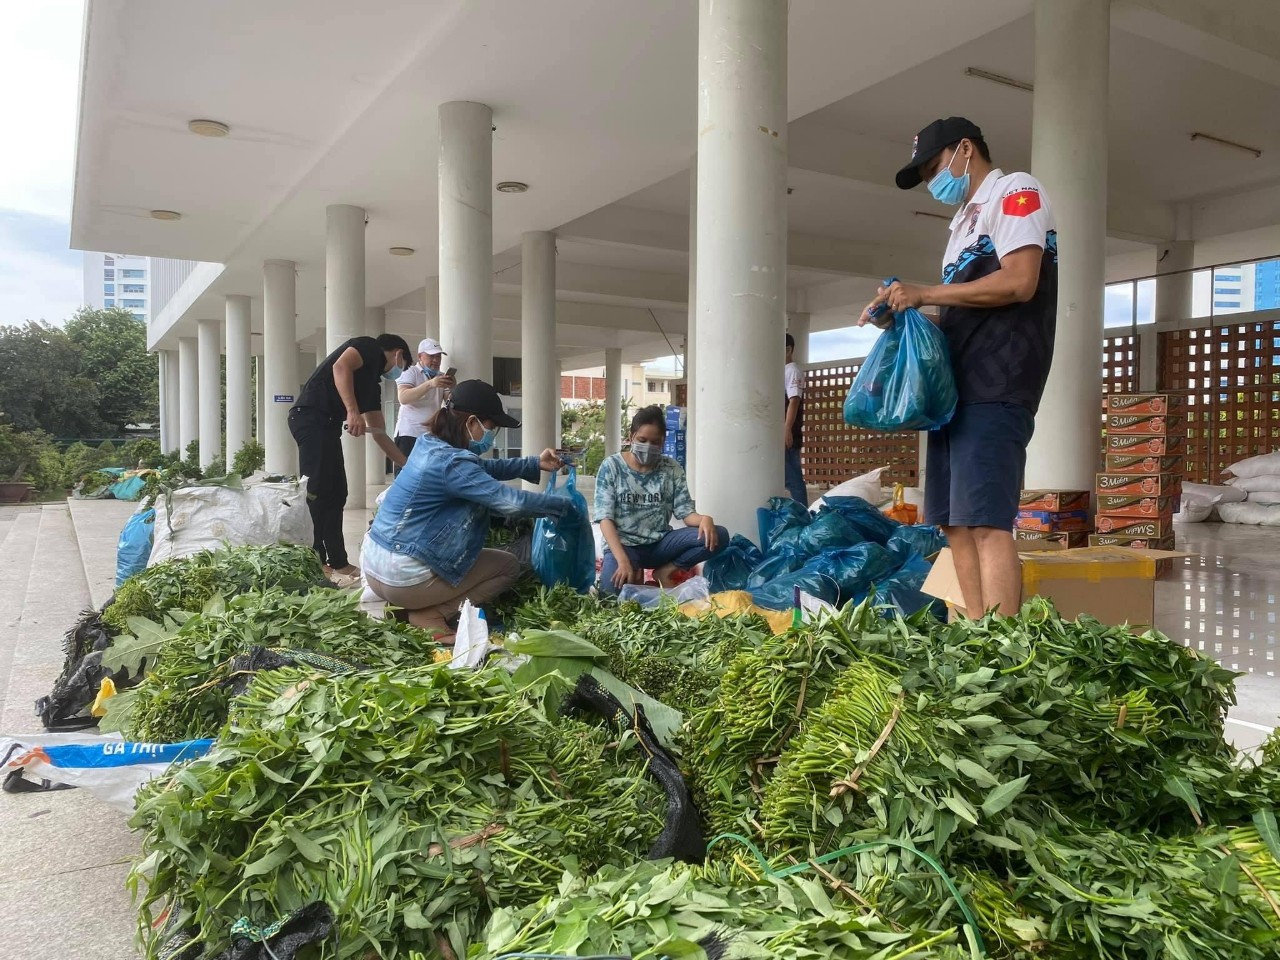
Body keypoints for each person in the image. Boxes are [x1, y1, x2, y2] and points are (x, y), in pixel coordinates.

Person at [859, 116, 1057, 617]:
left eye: (934, 167)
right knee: (954, 523)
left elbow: (1019, 282)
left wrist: (925, 291)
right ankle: (976, 636)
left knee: (988, 521)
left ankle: (1004, 648)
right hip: (953, 394)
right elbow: (962, 309)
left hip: (999, 382)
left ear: (965, 149)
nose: (932, 182)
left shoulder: (1016, 192)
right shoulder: (961, 225)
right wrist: (903, 316)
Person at [362, 379, 570, 640]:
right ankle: (431, 614)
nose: (490, 436)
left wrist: (533, 463)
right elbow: (511, 503)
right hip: (403, 578)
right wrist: (562, 507)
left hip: (375, 571)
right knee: (507, 566)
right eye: (490, 428)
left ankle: (407, 608)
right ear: (472, 422)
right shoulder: (453, 463)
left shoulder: (428, 444)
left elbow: (481, 470)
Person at [289, 333, 412, 584]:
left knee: (337, 492)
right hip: (310, 417)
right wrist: (352, 411)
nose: (397, 372)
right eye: (403, 366)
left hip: (327, 426)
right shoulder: (369, 347)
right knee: (318, 492)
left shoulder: (371, 387)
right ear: (399, 354)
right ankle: (316, 561)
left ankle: (339, 562)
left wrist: (409, 466)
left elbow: (379, 434)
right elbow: (340, 366)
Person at [594, 405, 727, 597]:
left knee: (718, 535)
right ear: (631, 437)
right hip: (625, 547)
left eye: (655, 442)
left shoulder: (671, 468)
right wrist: (623, 561)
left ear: (663, 442)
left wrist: (704, 519)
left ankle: (665, 571)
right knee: (608, 596)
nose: (648, 446)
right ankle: (634, 569)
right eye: (642, 440)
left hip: (660, 545)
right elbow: (605, 519)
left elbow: (685, 513)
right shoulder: (612, 467)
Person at [393, 337, 456, 471]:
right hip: (409, 433)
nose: (436, 360)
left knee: (427, 474)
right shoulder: (410, 371)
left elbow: (449, 401)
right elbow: (403, 397)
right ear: (420, 356)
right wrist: (430, 384)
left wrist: (453, 388)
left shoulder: (441, 376)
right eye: (431, 356)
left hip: (431, 434)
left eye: (438, 356)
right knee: (405, 474)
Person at [784, 332, 807, 506]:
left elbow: (794, 401)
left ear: (788, 349)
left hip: (789, 433)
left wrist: (787, 430)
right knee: (785, 476)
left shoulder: (792, 370)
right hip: (781, 432)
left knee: (793, 477)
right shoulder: (781, 370)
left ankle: (803, 513)